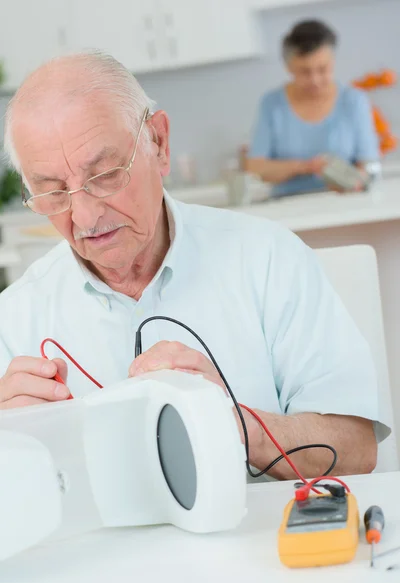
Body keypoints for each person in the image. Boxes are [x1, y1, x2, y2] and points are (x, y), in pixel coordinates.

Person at [0, 52, 388, 480]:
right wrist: (11, 449)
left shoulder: (268, 258)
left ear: (159, 143)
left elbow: (356, 448)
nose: (86, 217)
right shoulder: (16, 319)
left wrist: (235, 423)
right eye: (53, 192)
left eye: (106, 174)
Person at [247, 20, 380, 197]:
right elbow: (256, 168)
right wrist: (306, 167)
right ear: (288, 67)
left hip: (346, 203)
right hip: (287, 207)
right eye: (304, 72)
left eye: (323, 69)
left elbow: (369, 164)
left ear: (333, 61)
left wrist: (356, 180)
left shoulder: (354, 101)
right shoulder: (271, 104)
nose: (315, 80)